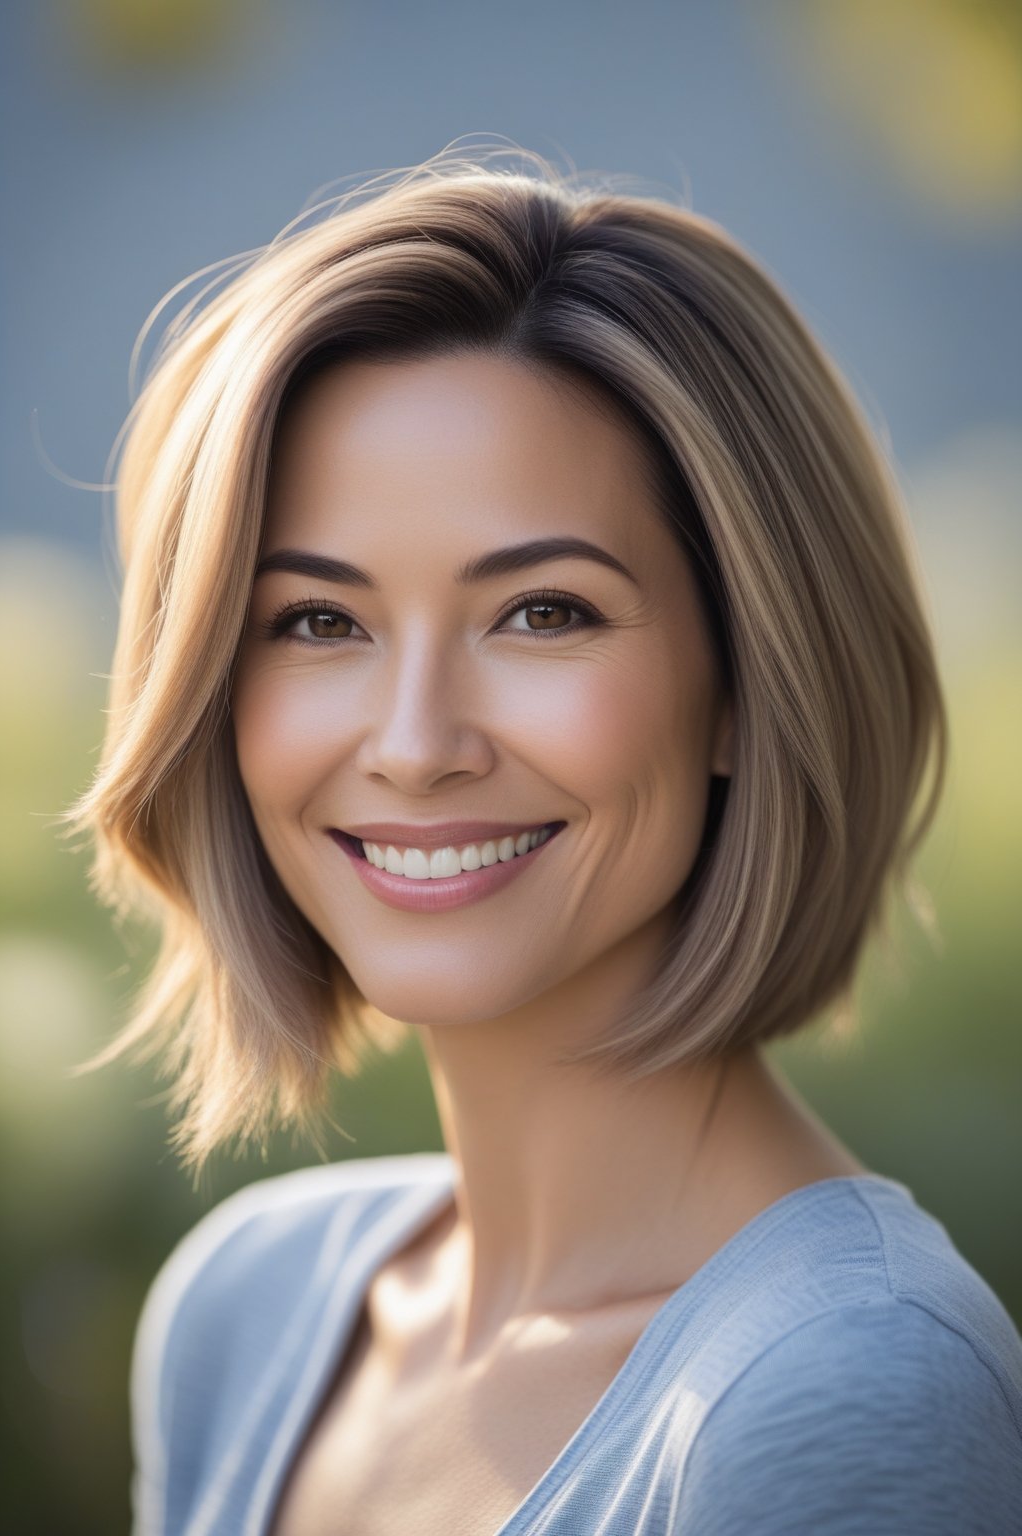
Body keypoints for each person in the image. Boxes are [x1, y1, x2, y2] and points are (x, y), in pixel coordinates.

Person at [67, 146, 1022, 1535]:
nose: (412, 740)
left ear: (751, 681)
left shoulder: (846, 1389)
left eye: (544, 612)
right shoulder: (245, 1311)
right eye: (317, 622)